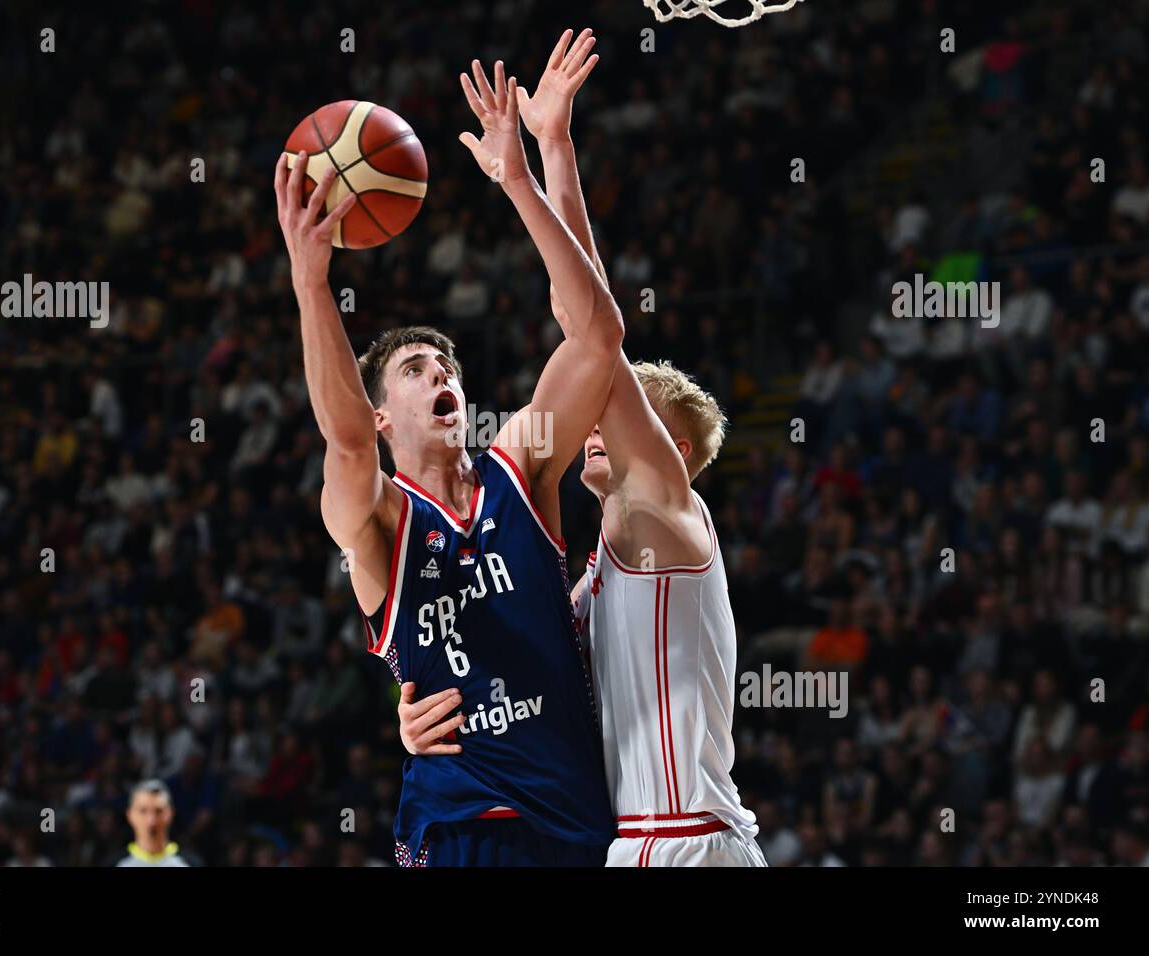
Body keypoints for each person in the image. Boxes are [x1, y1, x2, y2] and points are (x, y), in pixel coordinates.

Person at [399, 29, 763, 867]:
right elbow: (595, 319)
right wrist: (423, 713)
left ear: (666, 444)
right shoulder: (605, 554)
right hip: (630, 843)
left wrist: (527, 175)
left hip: (691, 840)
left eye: (614, 416)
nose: (590, 424)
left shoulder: (665, 510)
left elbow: (592, 331)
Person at [274, 54, 621, 866]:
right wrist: (311, 281)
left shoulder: (521, 469)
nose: (442, 376)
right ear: (384, 414)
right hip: (465, 819)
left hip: (578, 818)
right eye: (415, 371)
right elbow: (346, 442)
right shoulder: (378, 523)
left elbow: (598, 338)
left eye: (449, 369)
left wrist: (522, 176)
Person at [114, 779, 200, 866]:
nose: (151, 820)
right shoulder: (116, 863)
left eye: (158, 811)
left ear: (170, 813)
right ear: (130, 815)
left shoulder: (190, 863)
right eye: (143, 811)